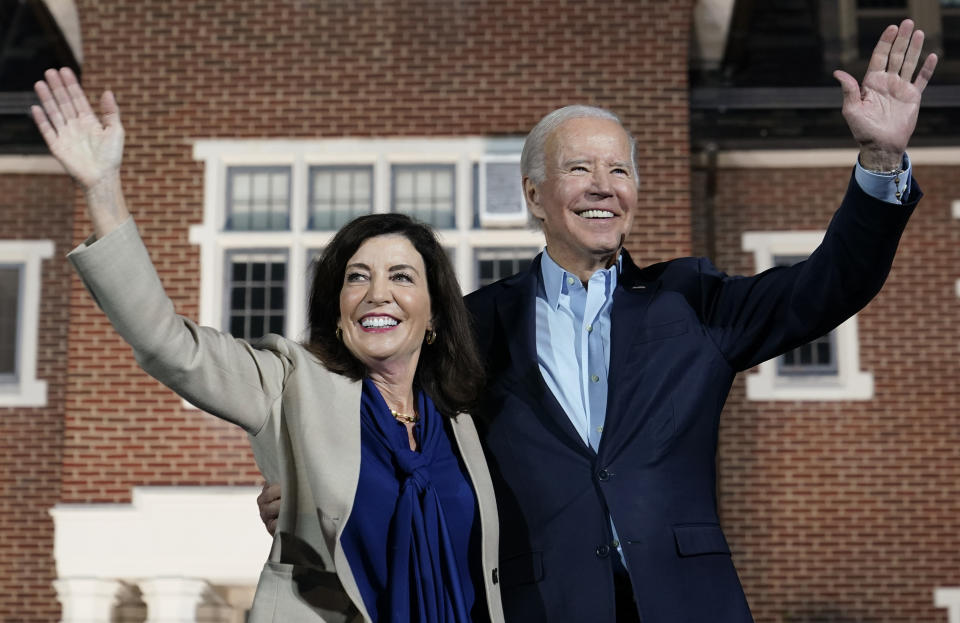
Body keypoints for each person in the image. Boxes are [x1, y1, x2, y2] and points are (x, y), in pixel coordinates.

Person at [258, 20, 936, 622]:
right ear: (535, 194)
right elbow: (400, 436)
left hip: (688, 600)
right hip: (543, 603)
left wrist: (880, 159)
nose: (604, 185)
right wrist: (316, 489)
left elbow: (827, 287)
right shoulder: (475, 323)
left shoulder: (691, 297)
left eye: (620, 170)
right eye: (579, 167)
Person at [32, 68, 506, 623]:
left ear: (434, 316)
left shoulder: (468, 421)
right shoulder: (289, 382)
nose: (378, 294)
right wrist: (102, 188)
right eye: (357, 278)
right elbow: (168, 345)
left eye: (402, 277)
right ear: (337, 309)